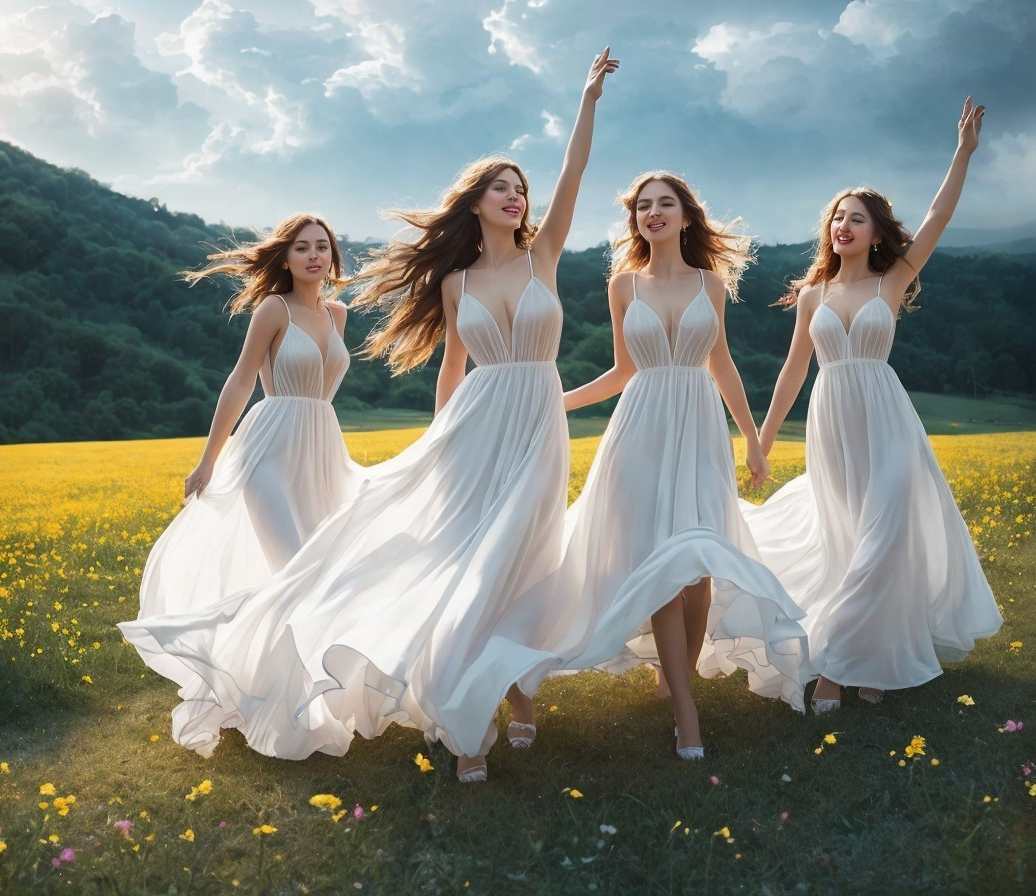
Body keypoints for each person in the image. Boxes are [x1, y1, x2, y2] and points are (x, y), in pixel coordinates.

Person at [118, 48, 619, 782]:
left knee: (527, 552)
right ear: (475, 202)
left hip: (539, 422)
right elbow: (453, 366)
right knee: (473, 562)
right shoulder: (456, 281)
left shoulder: (543, 256)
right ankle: (464, 718)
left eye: (520, 187)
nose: (515, 195)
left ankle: (520, 694)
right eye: (499, 187)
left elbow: (573, 174)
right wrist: (442, 438)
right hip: (477, 424)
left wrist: (588, 101)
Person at [744, 98, 1002, 712]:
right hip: (832, 423)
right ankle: (873, 657)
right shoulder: (812, 297)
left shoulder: (892, 281)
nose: (843, 226)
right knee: (850, 543)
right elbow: (792, 373)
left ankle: (833, 664)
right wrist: (761, 440)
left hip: (887, 420)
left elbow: (939, 214)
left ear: (877, 232)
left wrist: (962, 153)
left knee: (886, 536)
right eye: (837, 217)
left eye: (856, 218)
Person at [542, 172, 809, 760]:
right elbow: (621, 372)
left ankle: (676, 673)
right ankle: (685, 710)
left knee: (699, 565)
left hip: (699, 424)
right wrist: (554, 401)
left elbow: (723, 365)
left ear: (686, 217)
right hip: (640, 429)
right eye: (643, 206)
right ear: (634, 219)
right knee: (664, 557)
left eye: (665, 204)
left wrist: (754, 440)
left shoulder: (709, 283)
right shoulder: (622, 286)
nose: (653, 212)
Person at [128, 214, 363, 634]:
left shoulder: (338, 315)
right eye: (302, 247)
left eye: (322, 247)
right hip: (269, 453)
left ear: (333, 257)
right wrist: (208, 461)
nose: (314, 255)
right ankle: (224, 648)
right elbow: (240, 381)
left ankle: (297, 687)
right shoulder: (274, 308)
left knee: (322, 578)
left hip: (321, 456)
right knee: (295, 575)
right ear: (285, 259)